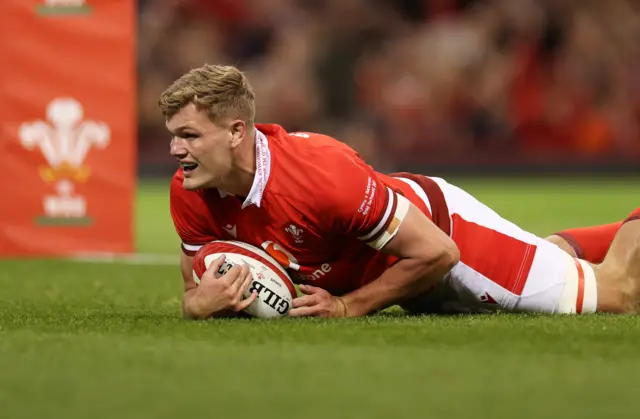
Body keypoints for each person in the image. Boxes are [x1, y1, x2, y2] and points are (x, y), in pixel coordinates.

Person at [159, 63, 640, 319]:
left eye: (190, 135)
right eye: (174, 135)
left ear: (237, 132)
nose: (177, 149)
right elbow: (194, 286)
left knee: (618, 292)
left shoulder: (319, 175)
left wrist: (350, 306)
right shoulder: (190, 189)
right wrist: (196, 305)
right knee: (546, 259)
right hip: (393, 269)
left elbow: (438, 252)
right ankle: (551, 254)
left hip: (443, 234)